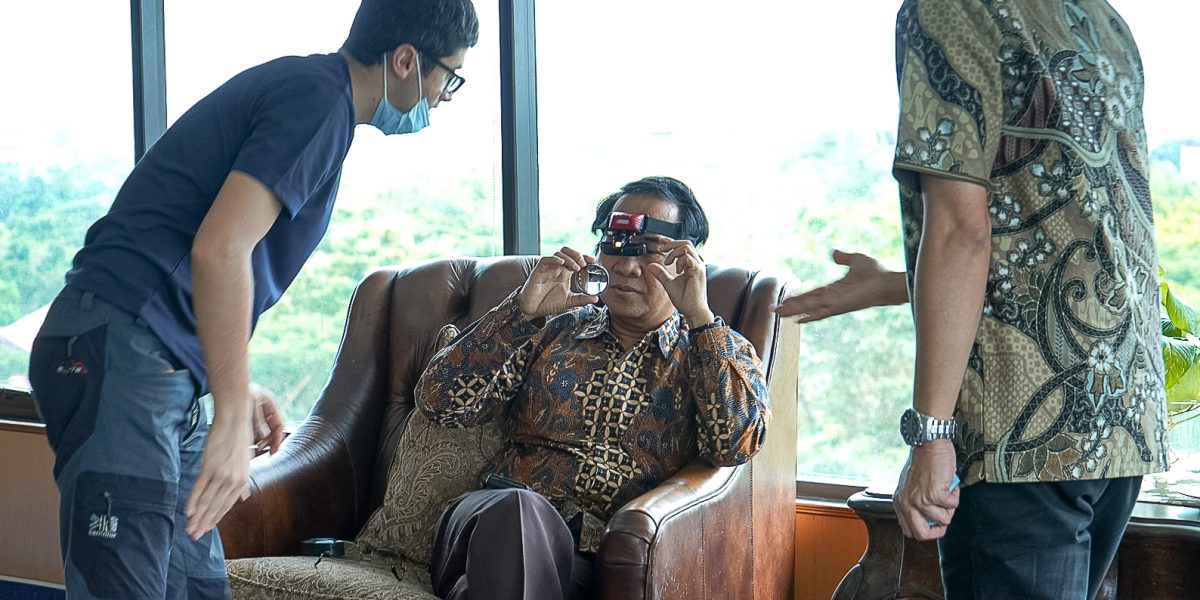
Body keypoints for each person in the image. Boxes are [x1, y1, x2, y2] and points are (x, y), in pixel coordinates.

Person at [26, 1, 478, 597]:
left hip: (154, 361)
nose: (444, 97)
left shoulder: (318, 102)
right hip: (123, 352)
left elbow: (206, 251)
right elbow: (220, 249)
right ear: (404, 60)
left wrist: (230, 380)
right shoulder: (318, 103)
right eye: (450, 76)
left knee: (198, 585)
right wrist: (232, 406)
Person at [778, 1, 1168, 598]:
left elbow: (963, 231)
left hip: (1024, 428)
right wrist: (897, 282)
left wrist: (930, 433)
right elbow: (1079, 228)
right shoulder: (1100, 19)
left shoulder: (950, 8)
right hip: (1122, 413)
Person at [415, 176, 771, 600]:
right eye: (615, 246)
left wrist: (698, 315)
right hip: (490, 521)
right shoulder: (550, 330)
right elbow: (439, 403)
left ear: (686, 261)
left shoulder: (713, 351)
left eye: (648, 250)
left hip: (592, 563)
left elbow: (735, 445)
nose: (626, 267)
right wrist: (521, 311)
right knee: (519, 512)